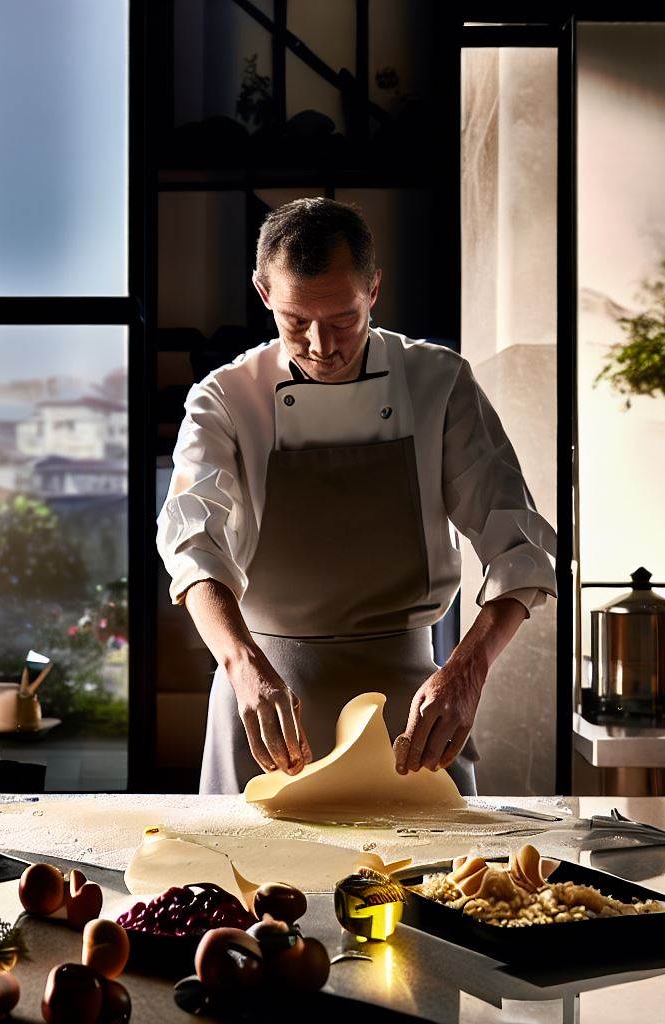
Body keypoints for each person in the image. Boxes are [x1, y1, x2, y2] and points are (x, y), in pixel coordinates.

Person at [157, 198, 557, 795]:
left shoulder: (439, 382)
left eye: (343, 319)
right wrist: (240, 663)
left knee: (433, 861)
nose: (322, 345)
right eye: (296, 320)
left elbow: (521, 549)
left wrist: (468, 671)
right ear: (264, 293)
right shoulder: (225, 399)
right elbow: (192, 545)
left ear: (373, 289)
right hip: (263, 706)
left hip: (410, 714)